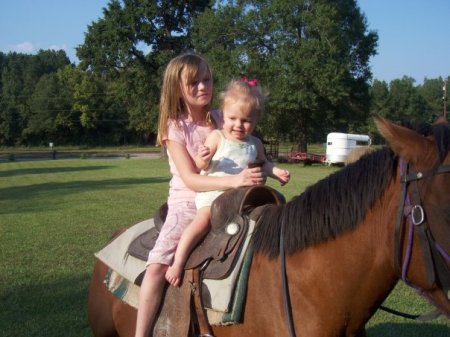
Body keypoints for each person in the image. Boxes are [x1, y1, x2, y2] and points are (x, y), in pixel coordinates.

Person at [134, 54, 264, 337]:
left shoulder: (220, 117)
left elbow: (244, 149)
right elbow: (191, 179)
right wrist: (235, 180)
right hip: (188, 201)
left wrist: (256, 172)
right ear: (176, 88)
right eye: (194, 82)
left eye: (207, 79)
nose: (203, 86)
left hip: (231, 196)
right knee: (156, 267)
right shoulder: (174, 127)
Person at [165, 78, 291, 287]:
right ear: (222, 115)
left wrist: (277, 172)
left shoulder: (255, 143)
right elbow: (200, 166)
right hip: (214, 194)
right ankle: (178, 261)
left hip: (243, 197)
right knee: (202, 221)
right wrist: (203, 159)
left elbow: (264, 164)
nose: (238, 125)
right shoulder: (217, 137)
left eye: (246, 120)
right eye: (232, 118)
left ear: (255, 120)